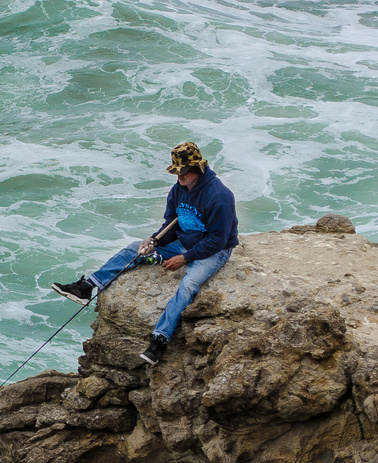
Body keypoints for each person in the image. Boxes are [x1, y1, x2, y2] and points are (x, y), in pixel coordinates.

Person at [50, 142, 239, 364]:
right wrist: (154, 240)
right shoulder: (179, 190)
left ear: (198, 168)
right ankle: (89, 287)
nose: (179, 177)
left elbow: (217, 240)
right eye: (176, 171)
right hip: (185, 240)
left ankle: (160, 339)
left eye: (184, 172)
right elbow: (172, 224)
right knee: (134, 248)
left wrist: (184, 258)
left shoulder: (219, 197)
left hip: (214, 251)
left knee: (188, 285)